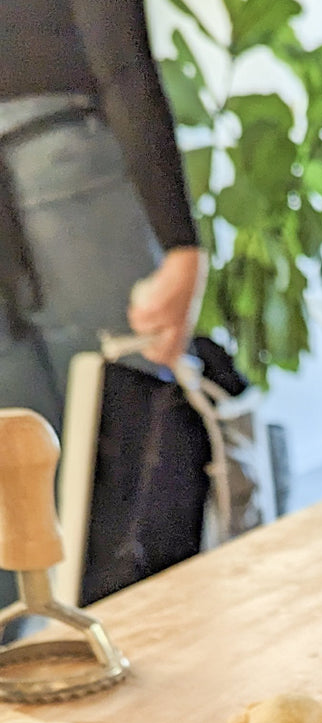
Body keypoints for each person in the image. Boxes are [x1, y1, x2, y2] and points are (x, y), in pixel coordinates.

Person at [0, 0, 207, 619]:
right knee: (134, 441)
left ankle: (29, 697)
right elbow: (115, 48)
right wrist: (181, 241)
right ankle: (164, 685)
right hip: (57, 160)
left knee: (11, 486)